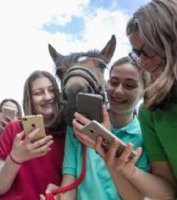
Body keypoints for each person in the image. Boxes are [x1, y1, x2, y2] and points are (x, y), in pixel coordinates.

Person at [74, 0, 177, 199]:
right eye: (136, 53)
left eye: (147, 50)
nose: (142, 61)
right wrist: (124, 167)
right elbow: (168, 191)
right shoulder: (152, 112)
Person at [42, 56, 150, 199]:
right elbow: (69, 178)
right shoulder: (80, 125)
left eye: (129, 85)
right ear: (106, 84)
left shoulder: (144, 136)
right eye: (114, 82)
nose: (118, 91)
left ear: (144, 90)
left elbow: (137, 198)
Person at [0, 70, 66, 199]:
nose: (48, 97)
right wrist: (16, 158)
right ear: (29, 99)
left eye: (51, 90)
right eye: (38, 93)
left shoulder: (68, 133)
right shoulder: (14, 129)